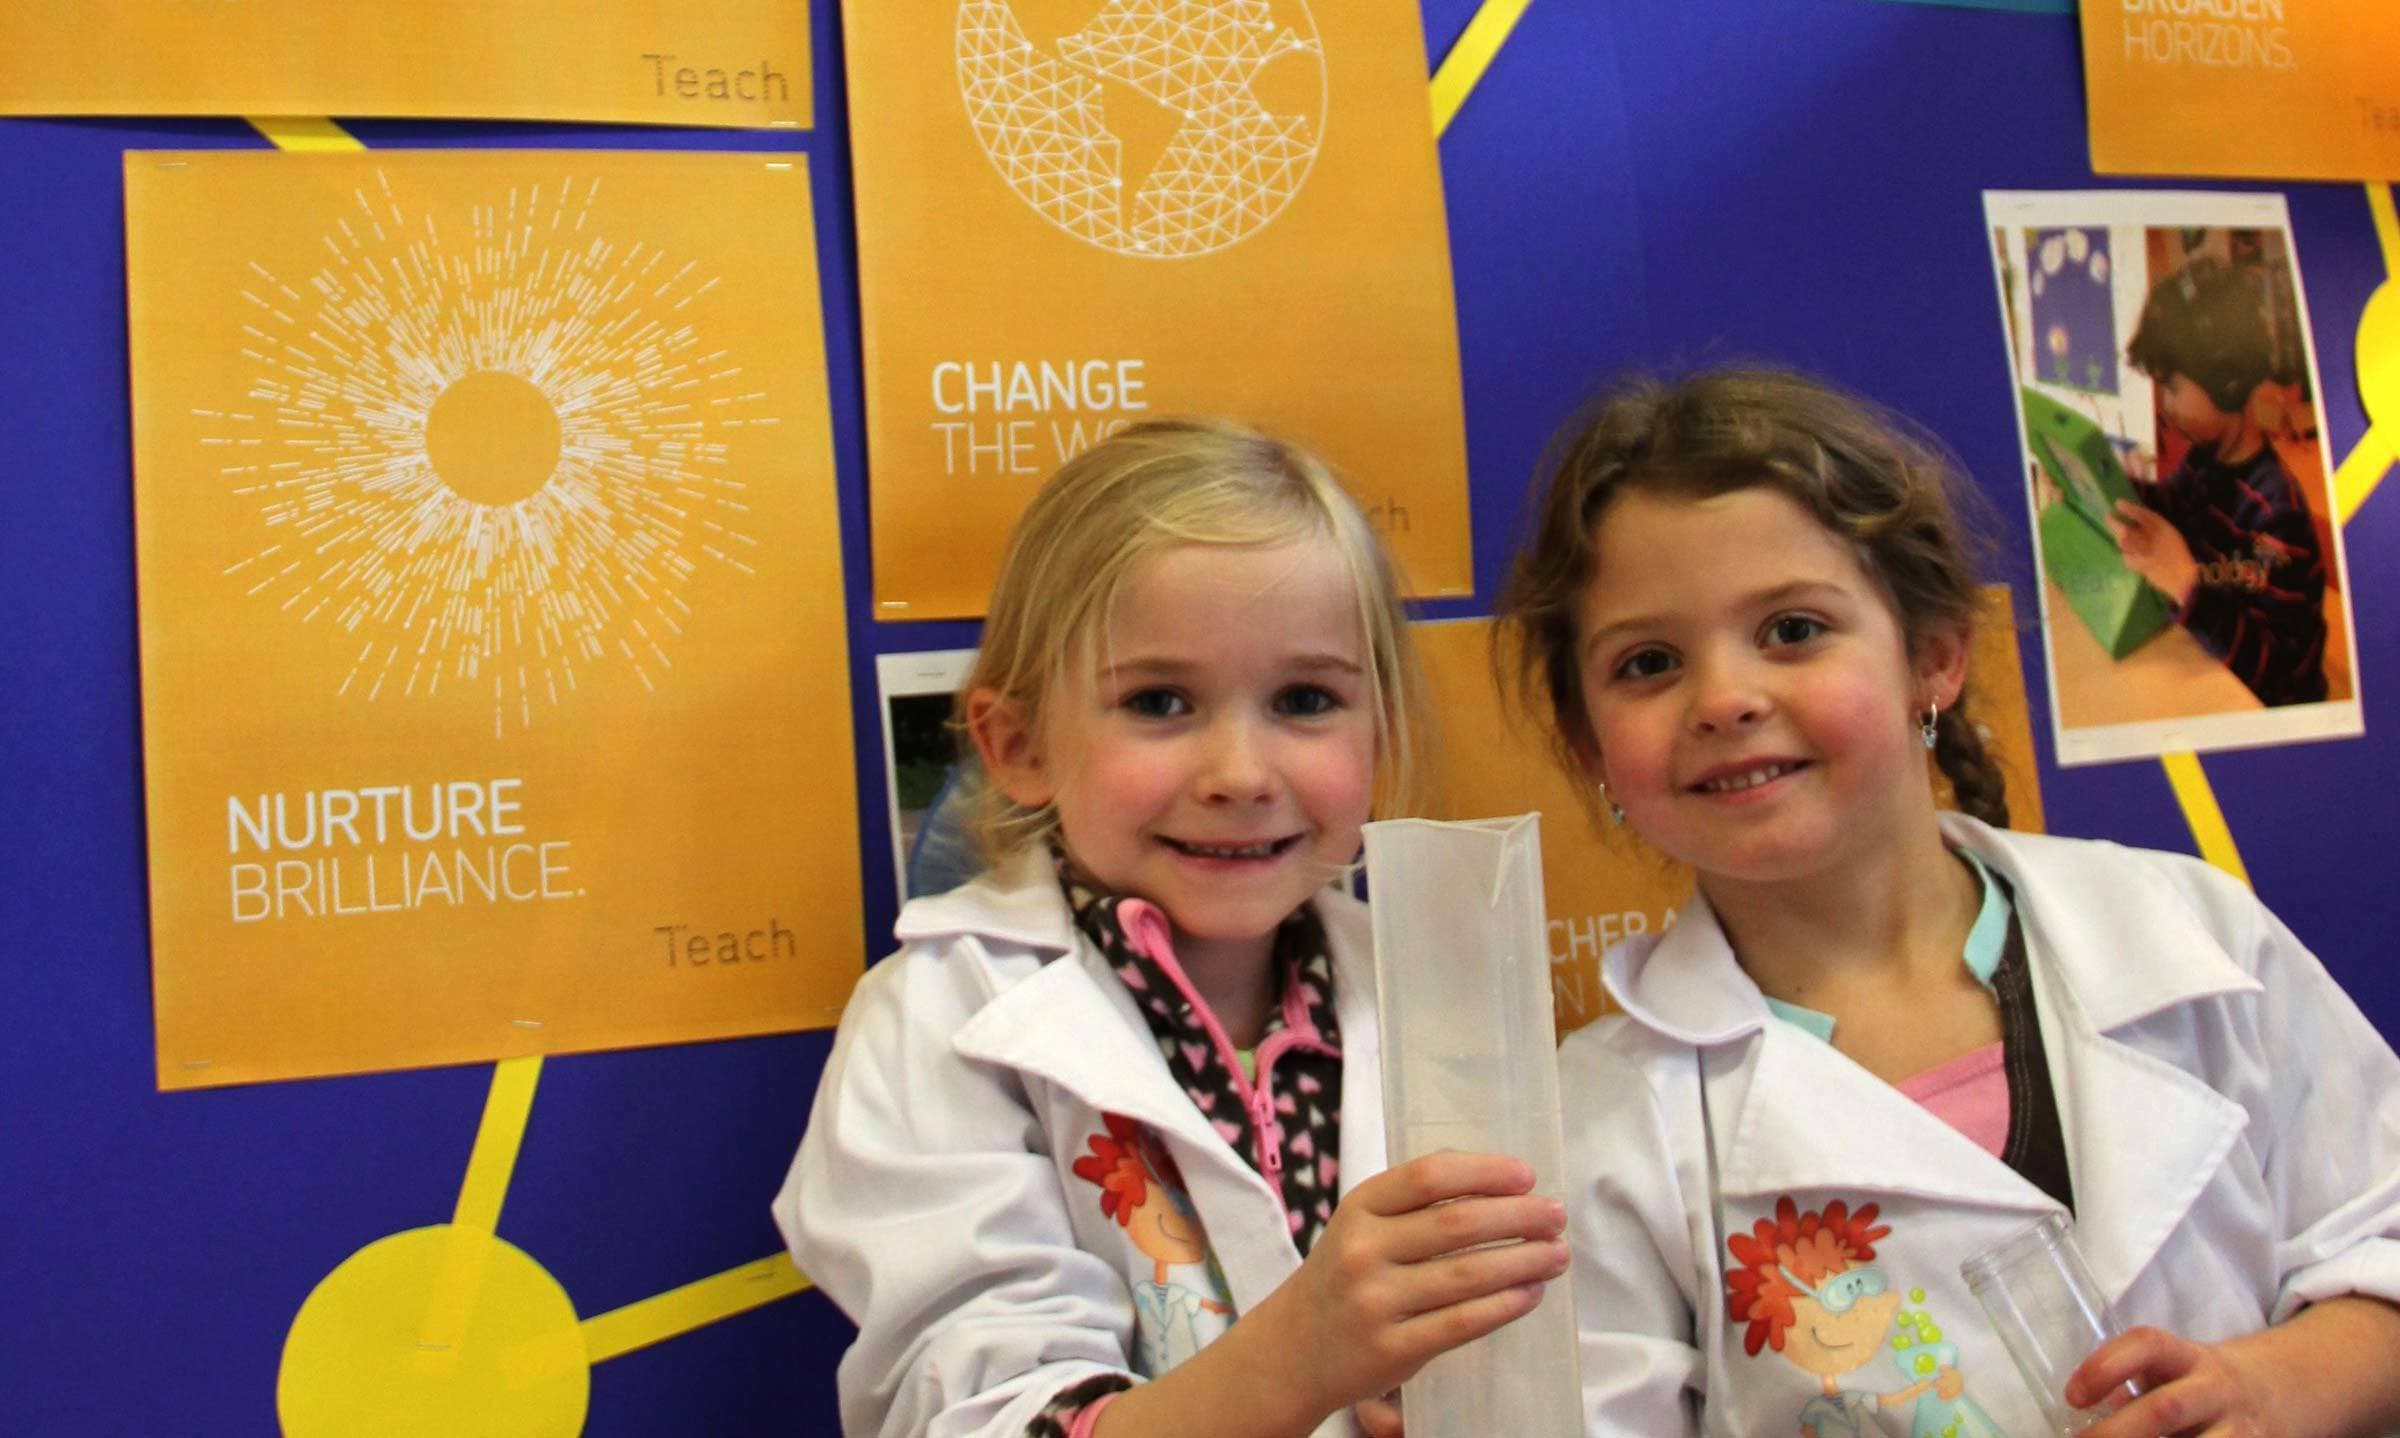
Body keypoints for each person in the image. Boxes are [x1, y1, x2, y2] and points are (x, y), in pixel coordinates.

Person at [1493, 368, 2400, 1437]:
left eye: (1792, 629)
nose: (1727, 698)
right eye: (1648, 661)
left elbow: (2378, 1243)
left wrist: (2280, 1385)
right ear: (1590, 742)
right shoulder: (1598, 1127)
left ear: (1934, 657)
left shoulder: (2189, 930)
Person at [777, 418, 1568, 1438]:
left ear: (1383, 727)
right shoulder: (941, 1019)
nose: (1240, 775)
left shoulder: (1436, 990)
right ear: (1017, 746)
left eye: (1304, 698)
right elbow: (972, 1416)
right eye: (1159, 701)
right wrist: (1301, 1358)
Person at [2115, 254, 2330, 706]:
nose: (2165, 406)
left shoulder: (2276, 514)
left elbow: (2279, 676)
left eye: (2172, 389)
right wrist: (2116, 487)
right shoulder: (2201, 462)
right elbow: (2170, 507)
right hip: (2207, 663)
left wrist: (2186, 583)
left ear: (2227, 383)